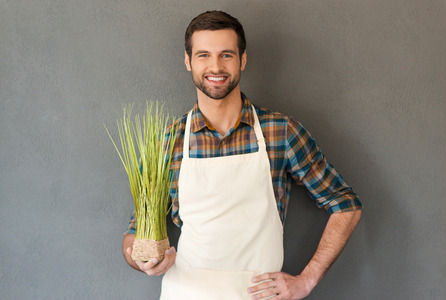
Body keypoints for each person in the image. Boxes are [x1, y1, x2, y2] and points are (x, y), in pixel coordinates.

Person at [122, 10, 362, 300]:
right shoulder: (169, 142)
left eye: (226, 55)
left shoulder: (280, 132)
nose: (215, 66)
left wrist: (306, 280)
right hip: (184, 292)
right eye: (203, 55)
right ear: (188, 62)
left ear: (242, 59)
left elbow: (345, 204)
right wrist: (143, 260)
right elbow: (136, 233)